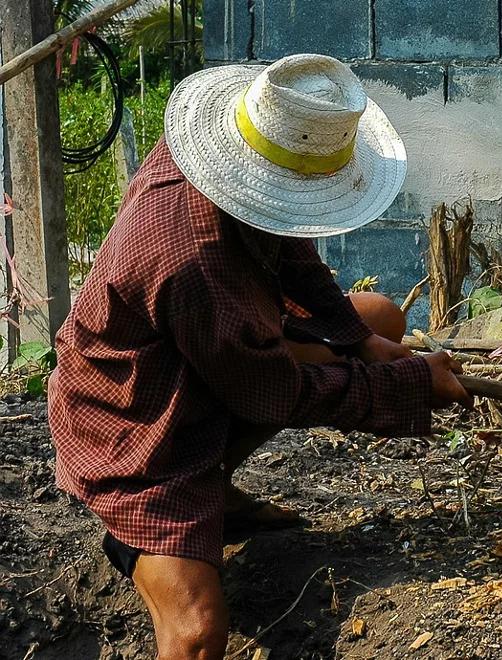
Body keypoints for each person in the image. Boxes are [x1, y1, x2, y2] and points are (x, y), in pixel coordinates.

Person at [47, 54, 469, 659]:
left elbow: (289, 245)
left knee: (380, 317)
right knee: (196, 634)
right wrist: (406, 383)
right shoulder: (195, 261)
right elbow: (277, 392)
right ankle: (140, 535)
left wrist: (361, 341)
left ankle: (213, 492)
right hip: (133, 427)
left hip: (200, 360)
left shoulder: (219, 162)